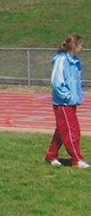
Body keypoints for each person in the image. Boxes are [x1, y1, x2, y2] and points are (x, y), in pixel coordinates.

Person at [44, 35, 87, 168]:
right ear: (73, 46)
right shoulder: (61, 60)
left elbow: (76, 82)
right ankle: (77, 159)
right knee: (71, 131)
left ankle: (51, 156)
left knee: (62, 130)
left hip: (71, 102)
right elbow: (56, 82)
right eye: (80, 44)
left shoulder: (75, 61)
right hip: (63, 103)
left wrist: (77, 96)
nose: (82, 47)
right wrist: (67, 96)